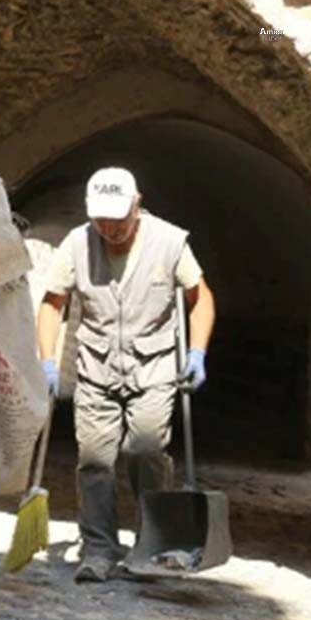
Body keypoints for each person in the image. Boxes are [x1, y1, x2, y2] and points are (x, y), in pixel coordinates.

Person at [35, 167, 215, 583]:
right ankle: (99, 548)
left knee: (145, 452)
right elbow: (52, 303)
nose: (110, 228)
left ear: (138, 204)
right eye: (101, 219)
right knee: (95, 461)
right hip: (96, 367)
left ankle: (153, 541)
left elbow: (199, 298)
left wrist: (198, 352)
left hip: (153, 367)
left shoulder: (170, 242)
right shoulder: (77, 244)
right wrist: (46, 361)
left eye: (118, 218)